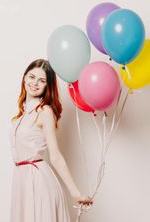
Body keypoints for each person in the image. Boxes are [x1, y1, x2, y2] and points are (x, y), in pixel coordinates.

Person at [9, 58, 93, 221]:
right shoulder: (21, 116)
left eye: (42, 80)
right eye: (32, 77)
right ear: (24, 77)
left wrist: (76, 193)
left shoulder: (45, 112)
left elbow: (55, 156)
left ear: (48, 86)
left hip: (38, 181)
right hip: (22, 181)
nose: (35, 83)